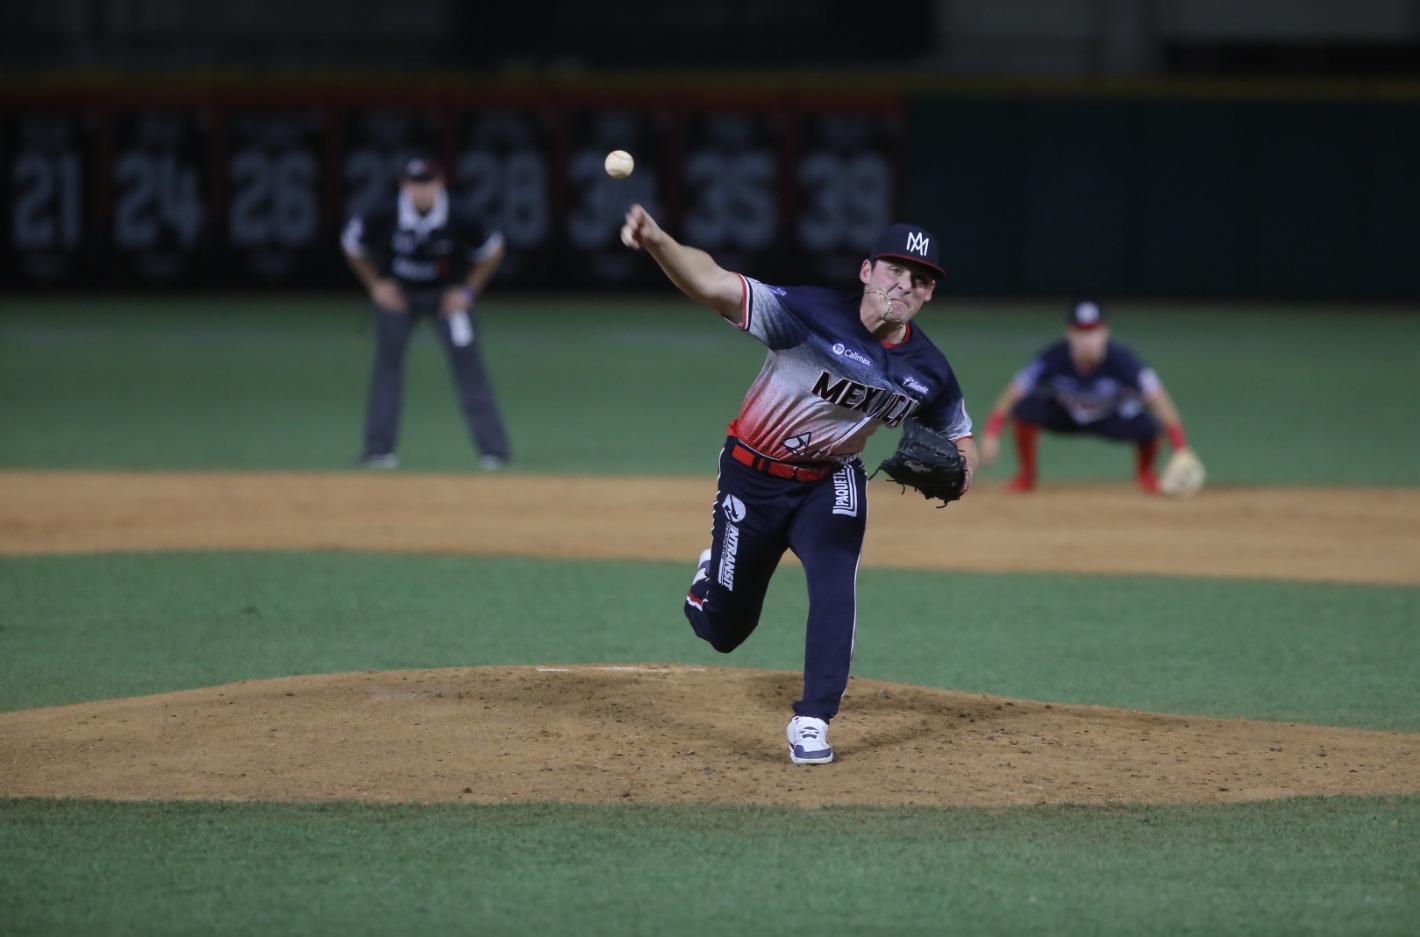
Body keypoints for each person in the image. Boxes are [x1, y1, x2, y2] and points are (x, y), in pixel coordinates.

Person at [620, 204, 977, 766]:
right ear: (865, 272)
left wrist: (961, 474)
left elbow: (961, 438)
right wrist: (660, 241)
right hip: (751, 475)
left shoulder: (928, 370)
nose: (903, 285)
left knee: (836, 581)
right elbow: (712, 283)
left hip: (831, 480)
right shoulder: (806, 313)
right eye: (894, 270)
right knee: (723, 630)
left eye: (920, 279)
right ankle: (707, 577)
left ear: (928, 295)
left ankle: (813, 719)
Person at [340, 156, 511, 470]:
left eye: (427, 183)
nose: (421, 191)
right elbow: (352, 244)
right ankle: (379, 451)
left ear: (439, 184)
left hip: (447, 297)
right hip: (399, 296)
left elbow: (493, 250)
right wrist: (376, 285)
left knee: (469, 366)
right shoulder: (385, 211)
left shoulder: (460, 214)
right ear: (405, 186)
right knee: (387, 366)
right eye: (414, 184)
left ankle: (494, 452)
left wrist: (468, 291)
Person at [979, 299, 1190, 493]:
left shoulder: (1125, 361)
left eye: (1093, 331)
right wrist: (991, 433)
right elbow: (1013, 392)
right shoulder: (1053, 357)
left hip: (1110, 417)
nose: (1087, 339)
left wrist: (1181, 448)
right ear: (1069, 333)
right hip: (1066, 415)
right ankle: (1026, 476)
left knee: (1149, 424)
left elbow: (1159, 399)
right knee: (1026, 408)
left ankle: (1146, 476)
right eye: (1080, 331)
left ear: (1105, 332)